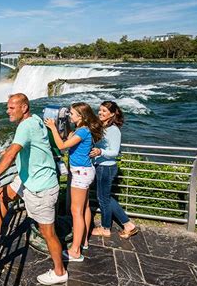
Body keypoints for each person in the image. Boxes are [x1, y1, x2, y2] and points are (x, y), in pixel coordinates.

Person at [0, 93, 67, 285]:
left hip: (41, 186)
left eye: (11, 107)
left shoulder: (25, 126)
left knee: (48, 233)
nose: (7, 111)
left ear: (24, 108)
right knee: (2, 194)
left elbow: (12, 154)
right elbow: (28, 145)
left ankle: (60, 272)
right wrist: (12, 149)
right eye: (7, 107)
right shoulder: (35, 119)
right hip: (27, 177)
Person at [44, 102, 103, 262]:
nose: (70, 115)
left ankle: (75, 251)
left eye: (72, 113)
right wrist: (64, 123)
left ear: (81, 116)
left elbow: (62, 145)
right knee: (84, 208)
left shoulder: (83, 131)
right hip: (86, 171)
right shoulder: (82, 130)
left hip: (80, 173)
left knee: (76, 211)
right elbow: (69, 137)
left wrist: (53, 128)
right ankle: (83, 241)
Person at [89, 101, 138, 239]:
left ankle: (106, 228)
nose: (100, 113)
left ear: (112, 114)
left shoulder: (114, 130)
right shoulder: (102, 127)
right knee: (105, 197)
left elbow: (115, 152)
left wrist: (100, 151)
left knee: (103, 198)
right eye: (100, 110)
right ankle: (128, 225)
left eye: (104, 111)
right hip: (101, 166)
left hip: (107, 167)